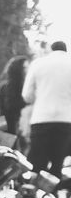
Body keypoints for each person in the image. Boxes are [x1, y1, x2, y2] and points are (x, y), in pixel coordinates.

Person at [21, 40, 71, 177]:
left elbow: (27, 95)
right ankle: (53, 193)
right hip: (66, 119)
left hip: (41, 118)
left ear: (51, 49)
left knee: (37, 161)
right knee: (57, 162)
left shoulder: (38, 64)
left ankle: (34, 194)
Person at [0, 54, 28, 140]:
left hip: (21, 132)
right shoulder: (5, 88)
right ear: (19, 70)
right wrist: (1, 133)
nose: (28, 70)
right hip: (10, 133)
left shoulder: (27, 88)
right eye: (25, 67)